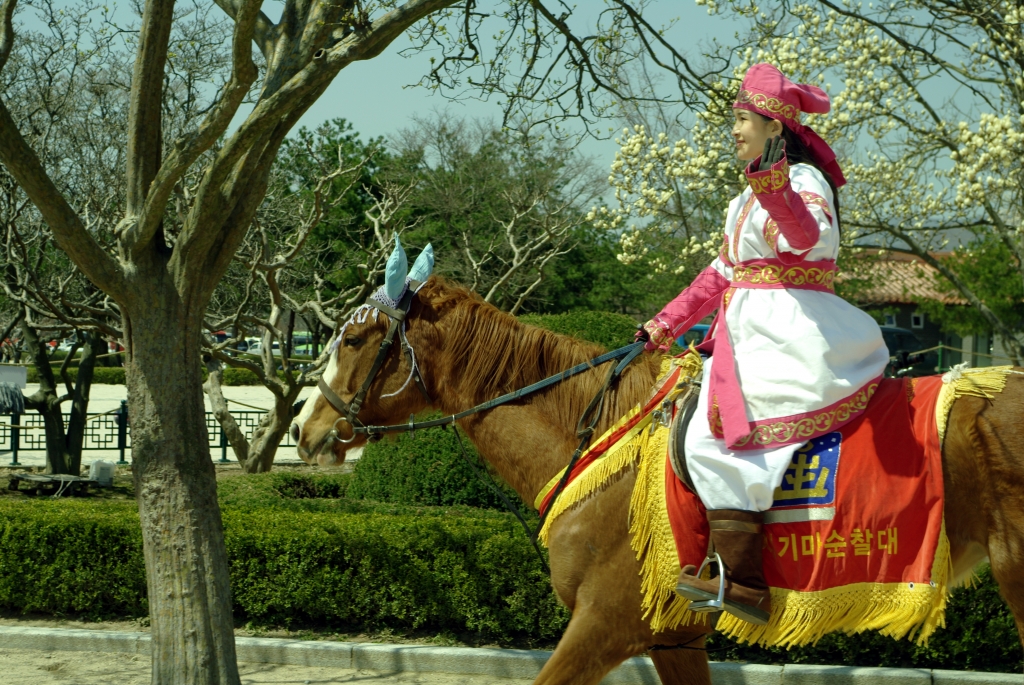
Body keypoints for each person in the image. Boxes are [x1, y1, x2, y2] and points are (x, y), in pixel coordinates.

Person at [637, 63, 889, 625]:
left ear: (774, 127)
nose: (734, 130)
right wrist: (661, 326)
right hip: (749, 328)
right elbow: (720, 273)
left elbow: (806, 239)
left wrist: (774, 186)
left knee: (719, 438)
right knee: (698, 425)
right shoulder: (743, 200)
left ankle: (745, 580)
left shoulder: (803, 181)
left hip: (791, 328)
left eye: (743, 120)